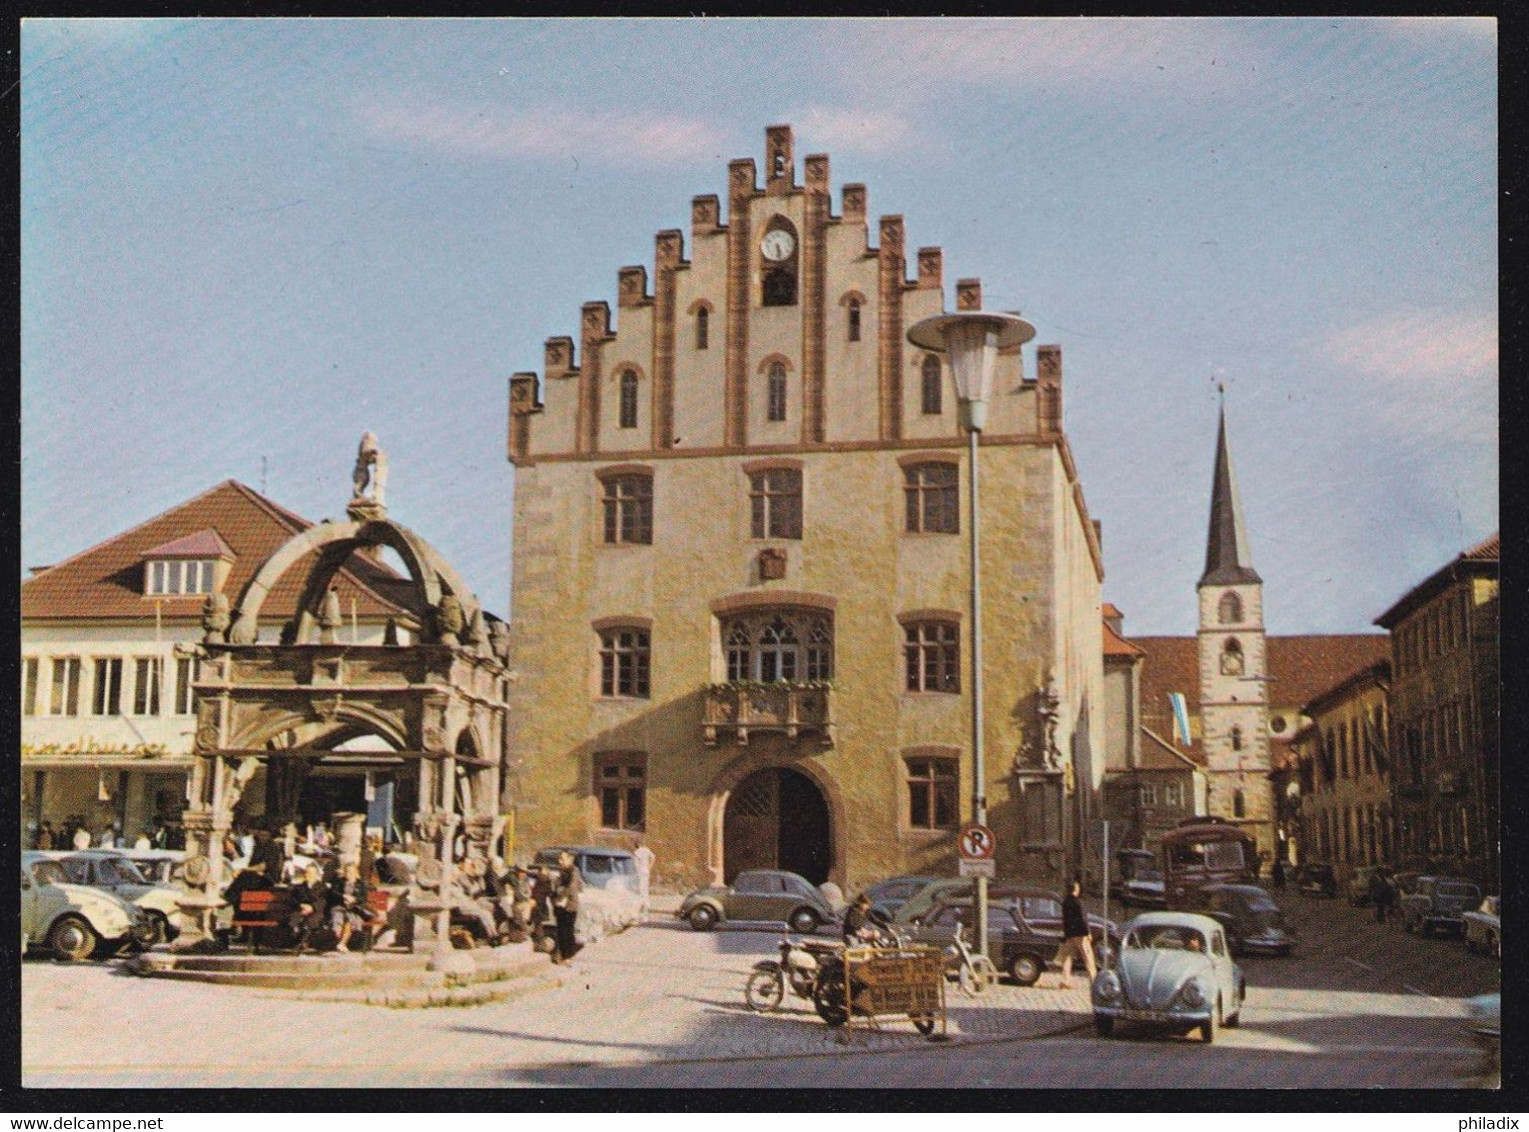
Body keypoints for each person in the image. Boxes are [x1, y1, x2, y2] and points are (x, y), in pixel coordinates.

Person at [1057, 876, 1097, 989]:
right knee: (1088, 959)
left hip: (1070, 934)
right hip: (1081, 934)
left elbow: (1065, 919)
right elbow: (1083, 919)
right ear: (1076, 889)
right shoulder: (1078, 902)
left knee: (1067, 958)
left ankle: (1065, 981)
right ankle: (1093, 983)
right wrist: (1088, 933)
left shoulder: (1065, 902)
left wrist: (1066, 934)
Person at [290, 862, 330, 953]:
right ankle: (301, 943)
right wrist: (301, 906)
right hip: (300, 911)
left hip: (316, 912)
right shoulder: (299, 887)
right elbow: (292, 900)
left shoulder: (322, 887)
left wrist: (312, 907)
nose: (309, 875)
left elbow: (323, 901)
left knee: (310, 922)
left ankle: (300, 945)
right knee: (294, 921)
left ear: (316, 875)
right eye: (307, 872)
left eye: (312, 873)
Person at [550, 851, 582, 965]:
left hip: (569, 905)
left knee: (567, 930)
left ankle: (568, 956)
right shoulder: (561, 872)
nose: (560, 861)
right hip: (560, 905)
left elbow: (572, 888)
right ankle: (564, 955)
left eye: (562, 859)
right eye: (559, 859)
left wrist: (560, 895)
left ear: (570, 859)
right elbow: (556, 886)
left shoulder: (574, 871)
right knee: (560, 930)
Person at [633, 839, 655, 916]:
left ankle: (642, 906)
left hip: (640, 871)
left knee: (640, 889)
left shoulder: (637, 852)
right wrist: (649, 866)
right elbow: (653, 857)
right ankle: (647, 905)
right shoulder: (646, 850)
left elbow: (635, 864)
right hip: (646, 871)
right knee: (645, 888)